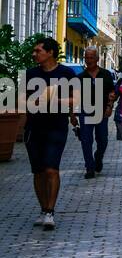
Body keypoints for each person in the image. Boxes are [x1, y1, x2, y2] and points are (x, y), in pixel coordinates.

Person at [23, 36, 79, 230]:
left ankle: (50, 211)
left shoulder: (67, 73)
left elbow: (78, 99)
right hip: (34, 128)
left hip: (56, 127)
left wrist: (54, 100)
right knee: (38, 172)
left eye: (38, 51)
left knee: (51, 169)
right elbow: (23, 100)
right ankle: (43, 208)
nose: (34, 54)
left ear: (50, 53)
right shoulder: (30, 74)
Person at [76, 45, 116, 179]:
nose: (89, 60)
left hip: (101, 111)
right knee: (86, 140)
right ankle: (89, 167)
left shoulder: (106, 74)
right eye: (86, 57)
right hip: (85, 111)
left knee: (102, 140)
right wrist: (72, 115)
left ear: (97, 59)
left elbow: (112, 92)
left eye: (91, 57)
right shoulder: (80, 77)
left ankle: (98, 157)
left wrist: (110, 107)